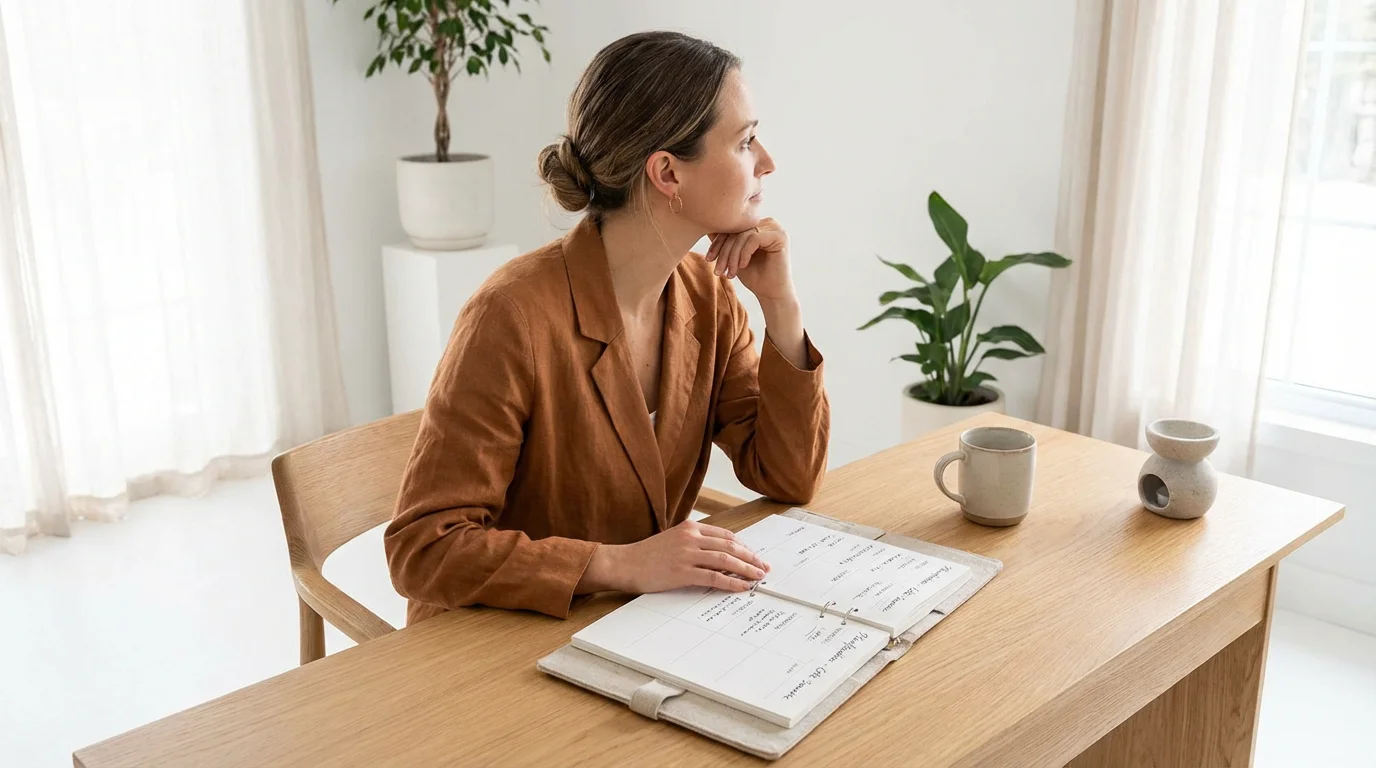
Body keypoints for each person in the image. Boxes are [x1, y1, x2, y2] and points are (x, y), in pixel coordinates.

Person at [385, 31, 830, 625]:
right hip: (496, 643)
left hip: (634, 626)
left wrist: (782, 306)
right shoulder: (511, 315)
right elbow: (424, 549)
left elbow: (788, 477)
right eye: (746, 140)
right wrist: (621, 565)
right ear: (668, 173)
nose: (767, 161)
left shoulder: (710, 296)